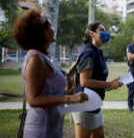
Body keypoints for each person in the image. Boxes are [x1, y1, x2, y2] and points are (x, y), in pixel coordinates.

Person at [13, 10, 88, 138]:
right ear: (40, 32)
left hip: (51, 129)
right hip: (40, 130)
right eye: (49, 25)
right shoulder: (35, 59)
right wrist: (70, 99)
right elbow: (33, 100)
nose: (53, 28)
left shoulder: (42, 57)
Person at [71, 22, 123, 138]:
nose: (105, 33)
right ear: (92, 34)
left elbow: (96, 79)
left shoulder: (98, 52)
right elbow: (84, 82)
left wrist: (110, 84)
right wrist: (109, 83)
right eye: (102, 30)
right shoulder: (89, 53)